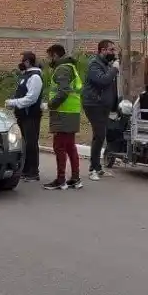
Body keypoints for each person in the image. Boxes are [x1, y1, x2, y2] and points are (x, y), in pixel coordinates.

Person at [44, 44, 82, 190]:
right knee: (70, 147)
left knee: (59, 146)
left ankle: (61, 179)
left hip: (63, 113)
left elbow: (64, 91)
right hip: (72, 112)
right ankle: (75, 178)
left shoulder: (62, 69)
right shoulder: (71, 67)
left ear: (55, 55)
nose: (49, 60)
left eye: (49, 57)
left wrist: (50, 105)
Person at [82, 39, 120, 180]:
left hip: (104, 105)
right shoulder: (94, 64)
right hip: (93, 104)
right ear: (102, 50)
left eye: (113, 50)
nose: (113, 52)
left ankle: (97, 168)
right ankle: (93, 169)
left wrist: (114, 105)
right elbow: (103, 81)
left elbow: (111, 86)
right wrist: (114, 69)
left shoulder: (105, 64)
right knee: (99, 136)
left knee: (101, 136)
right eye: (111, 50)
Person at [5, 51, 43, 182]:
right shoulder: (25, 76)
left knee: (31, 143)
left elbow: (31, 98)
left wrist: (14, 102)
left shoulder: (35, 77)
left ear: (27, 62)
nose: (20, 63)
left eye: (22, 60)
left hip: (30, 115)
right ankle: (25, 170)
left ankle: (33, 172)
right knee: (24, 143)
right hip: (22, 115)